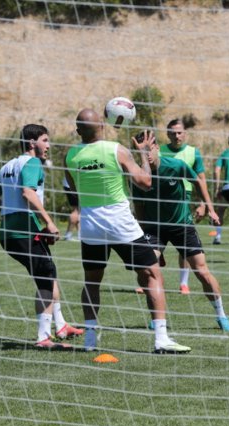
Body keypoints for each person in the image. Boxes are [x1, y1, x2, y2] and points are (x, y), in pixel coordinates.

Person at [64, 108, 191, 354]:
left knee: (92, 282)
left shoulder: (70, 155)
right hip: (120, 223)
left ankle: (90, 339)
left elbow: (73, 188)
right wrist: (143, 153)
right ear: (102, 126)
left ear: (78, 131)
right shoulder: (117, 150)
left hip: (90, 226)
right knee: (152, 275)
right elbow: (145, 182)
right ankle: (161, 339)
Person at [0, 124, 82, 349]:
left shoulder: (7, 166)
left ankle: (61, 326)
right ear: (32, 143)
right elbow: (27, 193)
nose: (48, 145)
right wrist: (49, 222)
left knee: (48, 272)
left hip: (8, 233)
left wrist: (8, 211)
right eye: (45, 140)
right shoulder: (33, 163)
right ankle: (43, 337)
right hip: (25, 231)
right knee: (46, 278)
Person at [132, 132, 229, 332]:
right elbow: (139, 207)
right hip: (155, 229)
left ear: (157, 148)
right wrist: (145, 239)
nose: (147, 154)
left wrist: (210, 208)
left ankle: (221, 315)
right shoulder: (137, 176)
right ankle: (157, 318)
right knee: (145, 270)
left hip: (182, 226)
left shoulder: (176, 166)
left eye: (149, 149)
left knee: (202, 271)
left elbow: (198, 182)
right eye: (142, 151)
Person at [158, 118, 208, 294]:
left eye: (179, 133)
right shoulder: (159, 151)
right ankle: (148, 281)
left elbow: (201, 180)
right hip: (161, 200)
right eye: (173, 133)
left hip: (183, 200)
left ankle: (183, 283)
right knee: (152, 237)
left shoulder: (193, 152)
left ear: (185, 133)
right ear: (168, 134)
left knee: (184, 243)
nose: (176, 136)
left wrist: (203, 204)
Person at [62, 176, 80, 241]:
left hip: (71, 184)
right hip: (71, 185)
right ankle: (68, 235)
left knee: (78, 211)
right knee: (76, 210)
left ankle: (80, 235)